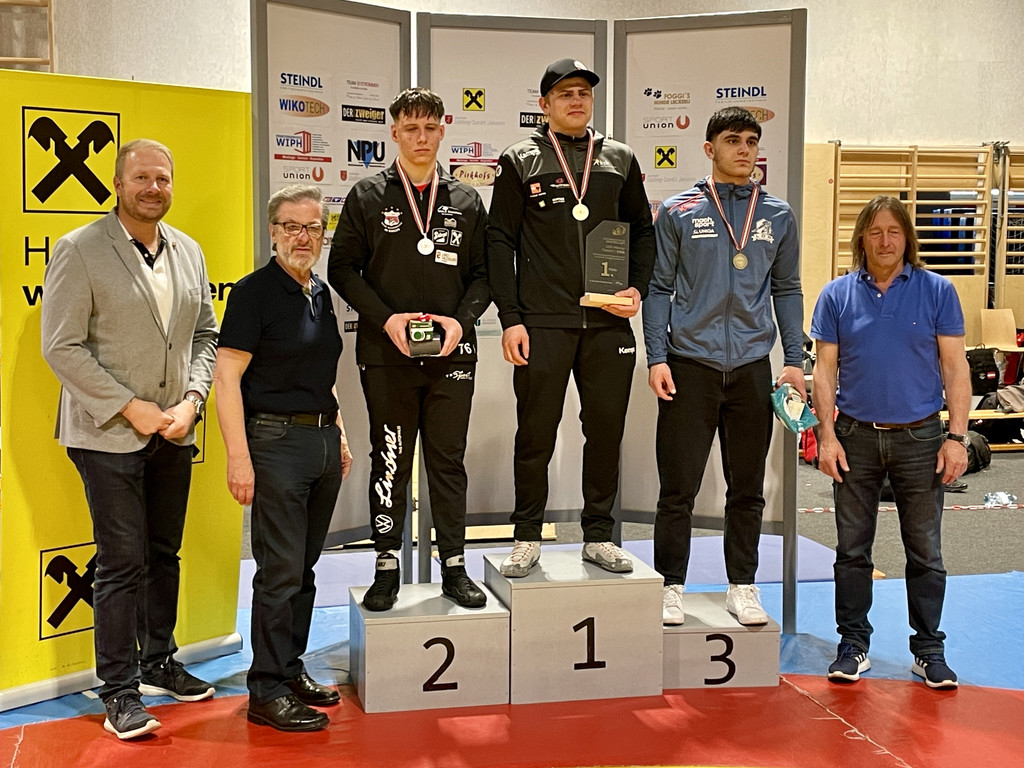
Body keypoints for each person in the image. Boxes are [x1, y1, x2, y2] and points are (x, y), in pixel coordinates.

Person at [41, 138, 218, 740]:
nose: (153, 188)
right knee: (120, 562)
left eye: (162, 178)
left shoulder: (189, 250)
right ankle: (118, 690)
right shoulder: (80, 249)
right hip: (106, 435)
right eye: (141, 177)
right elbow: (60, 346)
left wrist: (193, 399)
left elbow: (204, 335)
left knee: (164, 553)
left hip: (175, 432)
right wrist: (128, 406)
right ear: (117, 183)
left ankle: (158, 661)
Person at [486, 59, 655, 578]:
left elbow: (643, 230)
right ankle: (526, 536)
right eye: (565, 94)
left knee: (604, 433)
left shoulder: (620, 157)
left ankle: (598, 536)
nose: (576, 100)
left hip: (607, 322)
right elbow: (499, 241)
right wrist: (511, 317)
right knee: (535, 434)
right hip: (542, 323)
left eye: (583, 92)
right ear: (544, 104)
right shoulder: (519, 159)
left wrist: (637, 288)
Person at [642, 107, 805, 627]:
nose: (744, 150)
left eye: (752, 141)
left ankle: (742, 586)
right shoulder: (678, 211)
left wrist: (794, 360)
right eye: (733, 140)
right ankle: (671, 586)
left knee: (748, 489)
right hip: (691, 365)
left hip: (752, 368)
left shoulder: (777, 214)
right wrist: (657, 356)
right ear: (709, 149)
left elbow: (787, 289)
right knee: (678, 489)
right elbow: (658, 289)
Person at [329, 87, 489, 611]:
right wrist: (388, 319)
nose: (421, 138)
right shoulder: (367, 196)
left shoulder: (467, 200)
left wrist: (460, 322)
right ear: (394, 132)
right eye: (411, 128)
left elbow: (485, 275)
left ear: (444, 130)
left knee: (448, 462)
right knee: (391, 460)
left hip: (451, 357)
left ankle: (455, 567)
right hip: (387, 355)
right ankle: (385, 565)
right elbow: (341, 269)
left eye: (430, 128)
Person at [811, 195, 969, 689]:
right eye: (875, 231)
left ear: (907, 239)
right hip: (854, 437)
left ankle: (929, 650)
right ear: (862, 237)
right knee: (851, 551)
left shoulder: (938, 291)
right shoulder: (836, 294)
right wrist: (826, 436)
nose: (884, 241)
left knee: (925, 551)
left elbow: (955, 368)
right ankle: (853, 645)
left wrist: (957, 437)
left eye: (894, 231)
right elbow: (824, 371)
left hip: (921, 439)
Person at [214, 185, 353, 731]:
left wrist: (339, 434)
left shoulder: (320, 292)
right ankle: (266, 690)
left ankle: (290, 670)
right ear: (273, 232)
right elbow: (227, 379)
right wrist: (238, 458)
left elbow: (323, 374)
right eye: (291, 226)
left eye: (312, 227)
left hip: (320, 442)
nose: (302, 237)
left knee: (304, 569)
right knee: (278, 572)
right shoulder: (253, 293)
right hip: (273, 445)